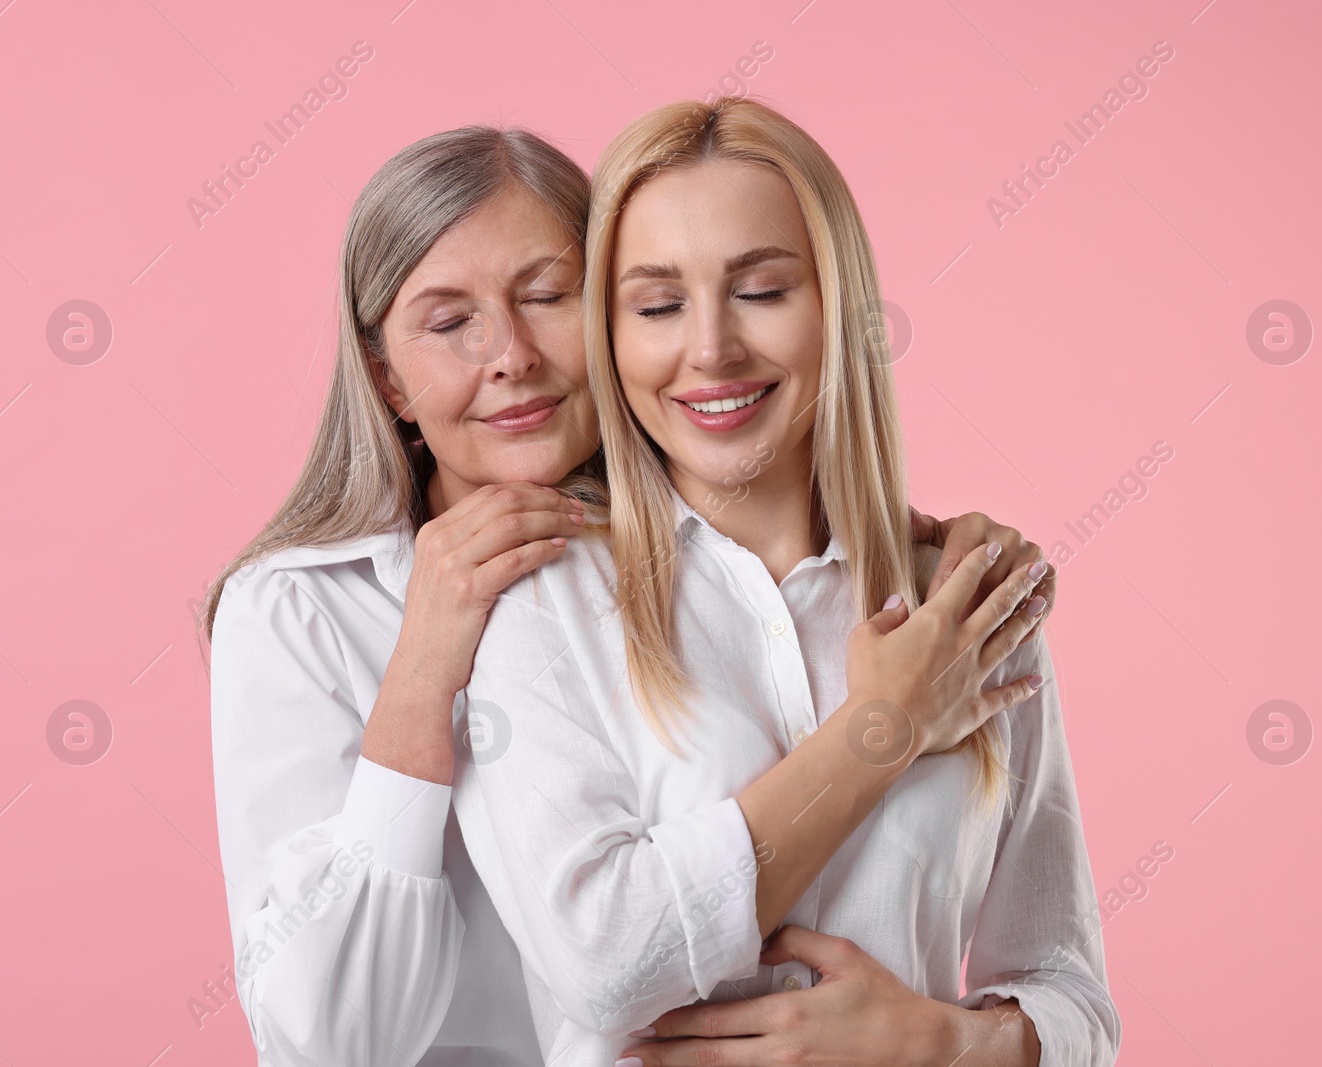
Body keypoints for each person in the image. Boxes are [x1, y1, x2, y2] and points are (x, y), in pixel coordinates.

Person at [205, 125, 1057, 1067]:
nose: (513, 356)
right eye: (450, 324)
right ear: (386, 380)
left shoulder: (737, 577)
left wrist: (921, 557)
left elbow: (1059, 974)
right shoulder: (304, 611)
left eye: (548, 296)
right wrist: (420, 668)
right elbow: (335, 1041)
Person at [451, 99, 1118, 1067]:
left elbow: (1073, 996)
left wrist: (941, 1043)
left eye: (761, 290)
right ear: (610, 335)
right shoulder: (539, 603)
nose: (712, 348)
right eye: (657, 305)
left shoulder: (964, 604)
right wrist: (879, 729)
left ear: (838, 308)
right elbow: (604, 963)